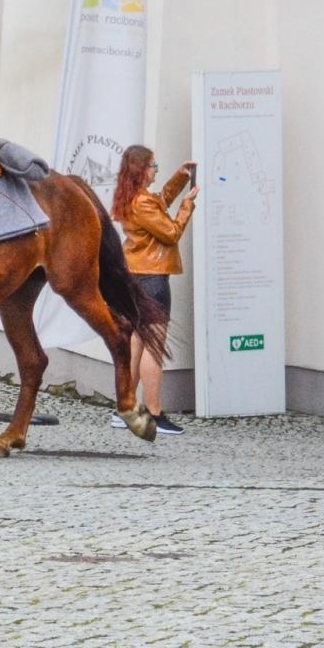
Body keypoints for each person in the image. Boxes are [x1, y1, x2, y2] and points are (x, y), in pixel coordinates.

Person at [109, 145, 197, 436]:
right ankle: (155, 413)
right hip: (152, 280)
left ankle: (126, 410)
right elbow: (170, 232)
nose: (156, 171)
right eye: (154, 167)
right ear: (141, 170)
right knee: (154, 348)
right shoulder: (142, 203)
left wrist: (178, 178)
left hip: (135, 276)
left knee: (136, 344)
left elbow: (158, 202)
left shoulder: (132, 198)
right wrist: (188, 205)